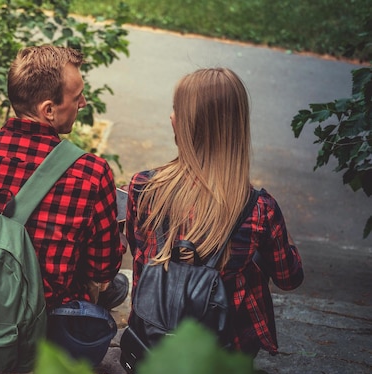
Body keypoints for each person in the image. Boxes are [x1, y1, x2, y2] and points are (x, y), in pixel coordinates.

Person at [0, 44, 127, 315]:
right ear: (49, 110)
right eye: (77, 97)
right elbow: (102, 268)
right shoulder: (90, 173)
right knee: (118, 285)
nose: (83, 103)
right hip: (43, 327)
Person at [125, 67, 304, 357]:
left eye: (176, 110)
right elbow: (290, 278)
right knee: (253, 262)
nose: (171, 116)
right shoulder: (260, 209)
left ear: (186, 125)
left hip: (150, 345)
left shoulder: (143, 188)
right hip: (221, 361)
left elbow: (139, 252)